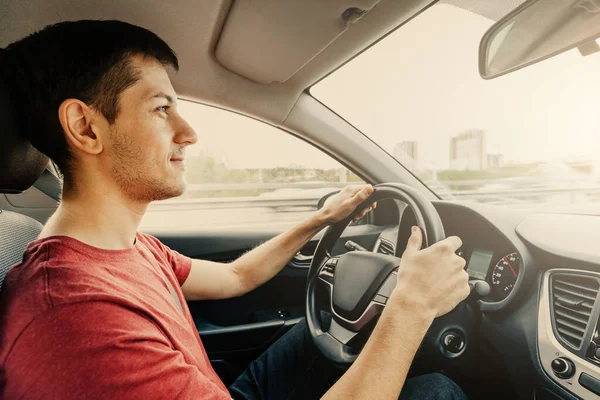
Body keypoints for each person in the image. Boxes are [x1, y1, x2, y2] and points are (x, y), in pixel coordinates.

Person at [0, 20, 470, 399]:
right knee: (436, 390)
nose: (188, 132)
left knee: (314, 340)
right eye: (162, 108)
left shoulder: (129, 248)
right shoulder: (76, 321)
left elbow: (237, 278)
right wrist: (410, 305)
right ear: (85, 127)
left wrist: (320, 219)